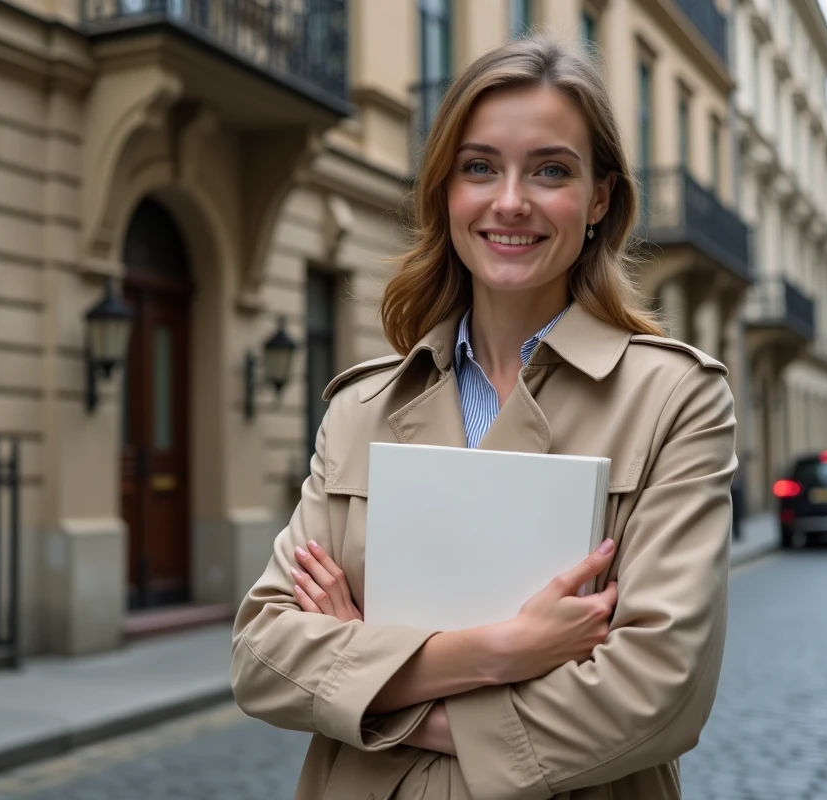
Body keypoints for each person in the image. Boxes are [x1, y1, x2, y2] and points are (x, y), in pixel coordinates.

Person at [230, 31, 737, 800]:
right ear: (445, 190)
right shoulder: (360, 409)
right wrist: (499, 651)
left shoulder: (675, 399)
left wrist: (372, 674)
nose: (509, 201)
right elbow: (263, 656)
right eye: (479, 168)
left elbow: (657, 692)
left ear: (600, 198)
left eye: (551, 171)